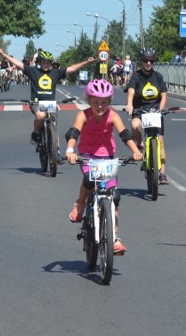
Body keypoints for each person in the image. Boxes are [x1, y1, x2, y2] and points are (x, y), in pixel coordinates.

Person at [64, 79, 143, 255]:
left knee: (113, 197)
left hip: (107, 158)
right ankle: (80, 204)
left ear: (109, 102)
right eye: (96, 102)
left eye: (104, 102)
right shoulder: (83, 115)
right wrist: (70, 151)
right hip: (87, 156)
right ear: (89, 101)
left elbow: (125, 134)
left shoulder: (113, 115)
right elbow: (73, 133)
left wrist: (136, 151)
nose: (100, 106)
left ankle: (114, 238)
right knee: (88, 178)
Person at [0, 48, 95, 147]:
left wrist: (86, 62)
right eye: (44, 62)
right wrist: (3, 54)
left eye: (48, 63)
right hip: (36, 103)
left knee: (54, 124)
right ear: (39, 62)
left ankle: (56, 152)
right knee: (41, 116)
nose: (46, 65)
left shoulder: (55, 73)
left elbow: (71, 68)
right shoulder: (33, 71)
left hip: (50, 104)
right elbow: (18, 63)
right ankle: (35, 133)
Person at [125, 48, 170, 184]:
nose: (148, 63)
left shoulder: (157, 76)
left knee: (160, 143)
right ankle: (139, 144)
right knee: (135, 125)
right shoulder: (136, 76)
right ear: (141, 61)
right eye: (145, 60)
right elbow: (131, 92)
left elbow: (163, 95)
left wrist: (160, 109)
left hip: (155, 112)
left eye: (151, 61)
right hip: (140, 110)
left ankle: (162, 174)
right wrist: (130, 105)